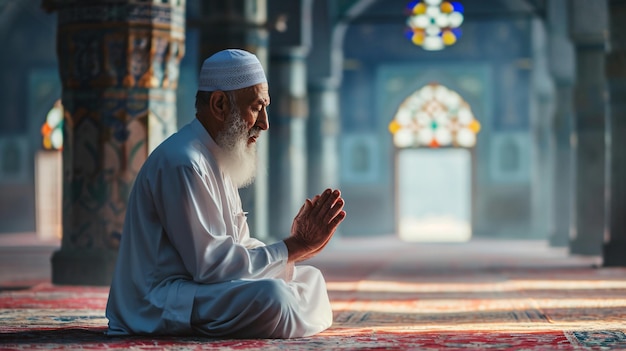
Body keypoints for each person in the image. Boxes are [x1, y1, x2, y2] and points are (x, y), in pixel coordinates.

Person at [105, 48, 346, 339]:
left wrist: (297, 251)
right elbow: (210, 265)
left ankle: (289, 316)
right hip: (162, 299)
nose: (265, 123)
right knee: (273, 298)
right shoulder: (184, 162)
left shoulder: (215, 157)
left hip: (202, 287)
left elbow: (238, 246)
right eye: (257, 107)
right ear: (219, 104)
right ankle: (289, 317)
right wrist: (291, 247)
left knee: (310, 279)